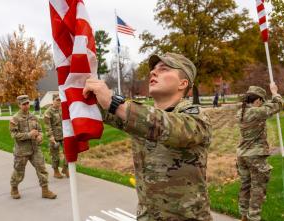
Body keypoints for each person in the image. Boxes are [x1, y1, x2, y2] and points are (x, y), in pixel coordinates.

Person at [83, 53, 213, 221]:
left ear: (183, 83)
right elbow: (100, 109)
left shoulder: (197, 117)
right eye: (153, 69)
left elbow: (170, 127)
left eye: (164, 69)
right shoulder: (141, 117)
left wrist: (113, 102)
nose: (152, 72)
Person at [236, 84, 282, 221]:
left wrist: (265, 100)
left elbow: (267, 107)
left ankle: (243, 215)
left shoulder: (242, 111)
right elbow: (278, 105)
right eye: (262, 101)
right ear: (258, 101)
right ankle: (254, 217)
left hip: (242, 155)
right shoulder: (256, 112)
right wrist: (274, 92)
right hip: (255, 155)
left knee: (245, 185)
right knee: (257, 187)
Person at [9, 95, 57, 200]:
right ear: (19, 105)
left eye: (27, 103)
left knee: (42, 169)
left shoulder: (33, 117)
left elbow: (39, 130)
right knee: (19, 171)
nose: (26, 106)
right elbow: (14, 135)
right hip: (22, 151)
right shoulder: (15, 119)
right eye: (24, 104)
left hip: (35, 149)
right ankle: (14, 187)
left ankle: (45, 190)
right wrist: (28, 135)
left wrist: (40, 136)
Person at [43, 94, 69, 178]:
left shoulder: (62, 109)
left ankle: (65, 168)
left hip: (64, 135)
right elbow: (47, 126)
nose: (59, 102)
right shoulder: (48, 112)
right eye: (57, 100)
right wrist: (50, 136)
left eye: (60, 100)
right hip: (54, 137)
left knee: (69, 152)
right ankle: (56, 171)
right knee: (55, 155)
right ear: (53, 100)